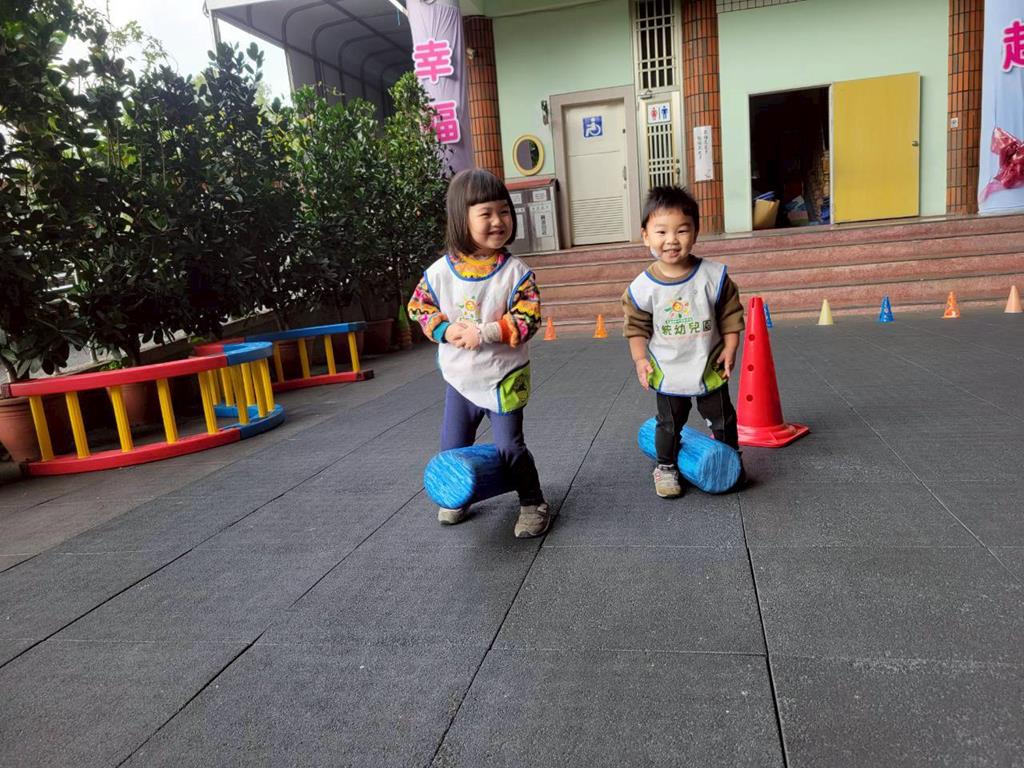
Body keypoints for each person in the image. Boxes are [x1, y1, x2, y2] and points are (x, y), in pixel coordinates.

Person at [407, 168, 552, 538]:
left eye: (503, 211)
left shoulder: (516, 274)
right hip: (461, 380)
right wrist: (445, 329)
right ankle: (460, 494)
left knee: (509, 447)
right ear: (461, 218)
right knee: (451, 447)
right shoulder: (439, 273)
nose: (498, 221)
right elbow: (419, 307)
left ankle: (532, 501)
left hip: (504, 377)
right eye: (486, 213)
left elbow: (528, 319)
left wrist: (485, 332)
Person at [622, 186, 745, 498]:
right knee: (669, 423)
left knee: (723, 418)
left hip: (709, 363)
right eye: (661, 231)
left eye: (681, 230)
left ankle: (730, 459)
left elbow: (730, 314)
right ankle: (665, 467)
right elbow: (635, 327)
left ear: (696, 232)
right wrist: (640, 359)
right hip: (668, 368)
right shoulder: (643, 287)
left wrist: (731, 347)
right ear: (645, 235)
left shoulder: (713, 276)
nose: (672, 240)